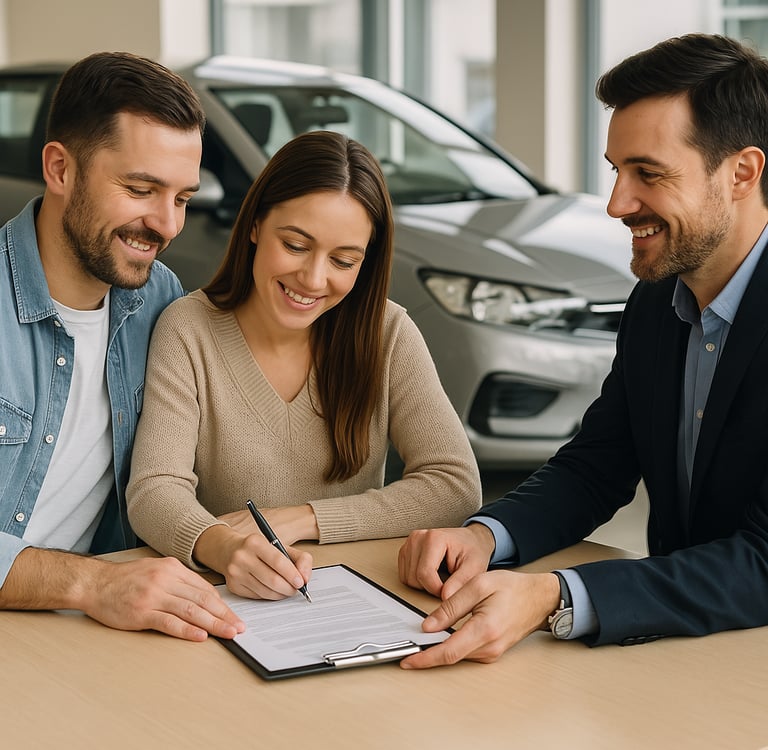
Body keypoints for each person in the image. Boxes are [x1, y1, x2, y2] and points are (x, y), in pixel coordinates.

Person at [396, 32, 768, 668]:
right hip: (691, 653)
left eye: (648, 173)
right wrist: (486, 536)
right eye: (617, 171)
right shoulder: (657, 303)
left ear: (741, 173)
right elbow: (597, 465)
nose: (618, 203)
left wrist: (554, 595)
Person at [126, 129, 482, 601]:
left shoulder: (386, 332)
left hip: (354, 602)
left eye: (343, 260)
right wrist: (222, 547)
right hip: (227, 602)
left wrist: (303, 517)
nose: (314, 279)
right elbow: (154, 490)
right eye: (295, 245)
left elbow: (454, 485)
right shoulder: (187, 329)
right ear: (254, 225)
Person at [0, 51, 244, 642]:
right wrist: (93, 585)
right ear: (60, 169)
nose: (166, 224)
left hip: (99, 641)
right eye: (140, 189)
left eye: (183, 198)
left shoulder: (161, 301)